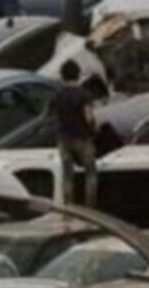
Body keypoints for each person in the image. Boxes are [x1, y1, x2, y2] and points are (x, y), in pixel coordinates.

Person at [54, 60, 97, 208]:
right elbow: (89, 117)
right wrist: (94, 130)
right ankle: (90, 206)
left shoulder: (58, 95)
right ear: (78, 75)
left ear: (63, 76)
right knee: (90, 173)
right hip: (82, 138)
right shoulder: (84, 95)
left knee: (67, 175)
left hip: (64, 139)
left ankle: (68, 205)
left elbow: (50, 115)